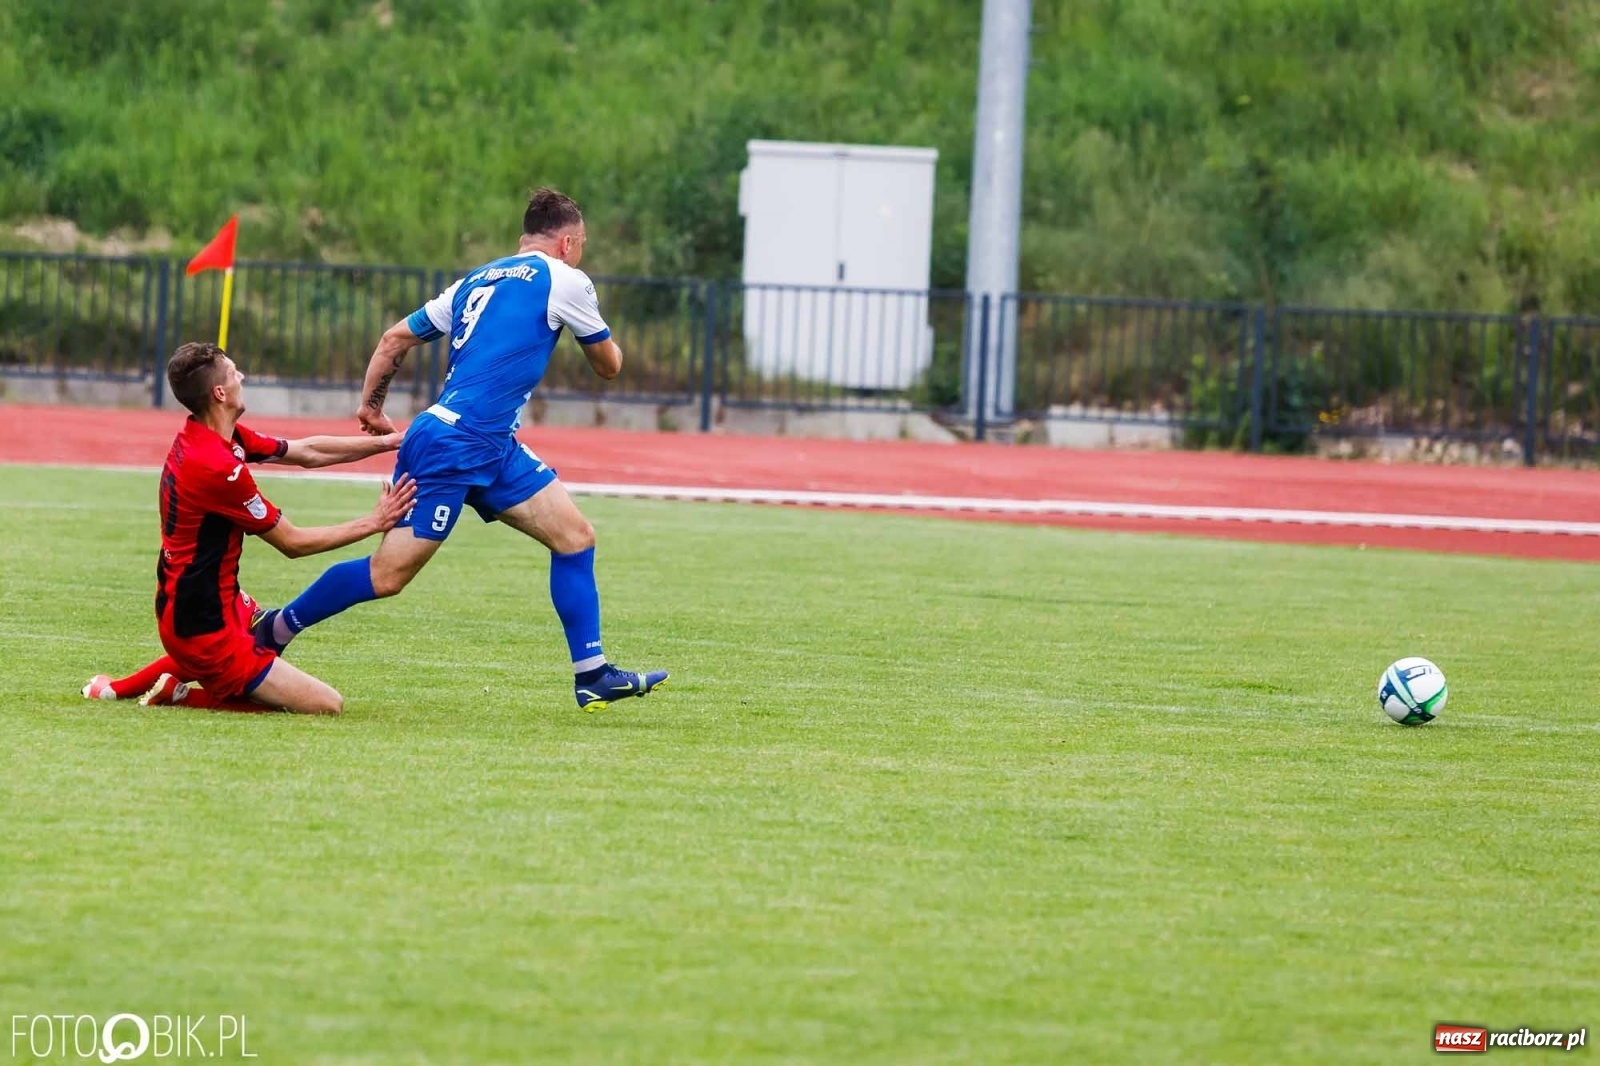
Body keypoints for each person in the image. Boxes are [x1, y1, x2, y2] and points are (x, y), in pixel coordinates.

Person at [250, 188, 667, 712]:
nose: (580, 252)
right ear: (567, 242)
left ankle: (593, 674)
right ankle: (274, 630)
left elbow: (391, 340)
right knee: (387, 576)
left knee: (576, 537)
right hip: (456, 445)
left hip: (491, 444)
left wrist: (371, 409)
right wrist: (601, 332)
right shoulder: (566, 280)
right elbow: (609, 367)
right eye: (580, 244)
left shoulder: (477, 279)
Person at [83, 341, 417, 714]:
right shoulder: (217, 467)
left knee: (266, 628)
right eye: (233, 372)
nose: (241, 376)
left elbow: (306, 452)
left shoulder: (215, 436)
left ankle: (114, 689)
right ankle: (180, 696)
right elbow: (293, 543)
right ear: (220, 392)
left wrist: (389, 442)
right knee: (326, 705)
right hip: (205, 631)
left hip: (197, 606)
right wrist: (375, 522)